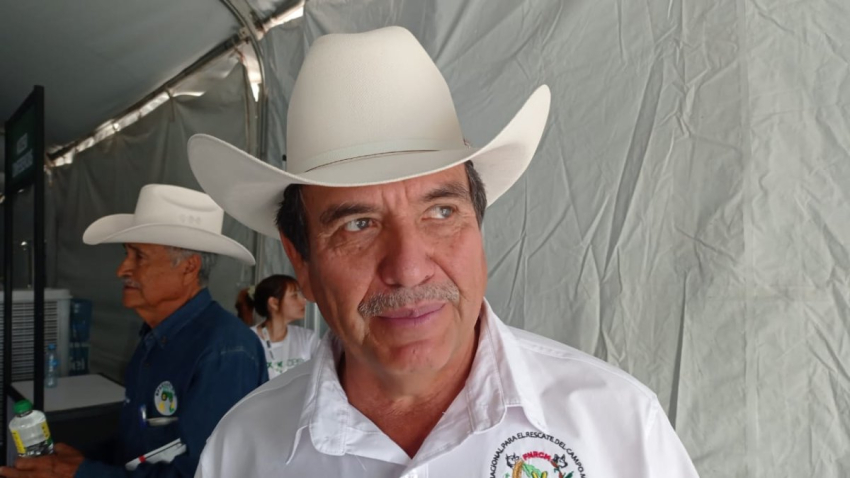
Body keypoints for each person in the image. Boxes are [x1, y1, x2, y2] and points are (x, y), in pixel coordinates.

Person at [188, 27, 700, 477]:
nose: (409, 268)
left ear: (478, 227)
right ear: (302, 262)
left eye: (441, 212)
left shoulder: (620, 428)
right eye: (358, 225)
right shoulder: (242, 452)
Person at [0, 184, 268, 478]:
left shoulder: (226, 350)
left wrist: (81, 473)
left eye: (138, 256)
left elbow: (202, 473)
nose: (122, 269)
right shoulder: (155, 338)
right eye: (127, 254)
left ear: (189, 268)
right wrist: (82, 460)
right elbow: (138, 445)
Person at [251, 274, 318, 379]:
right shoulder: (248, 339)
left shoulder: (307, 339)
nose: (303, 301)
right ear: (274, 303)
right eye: (294, 296)